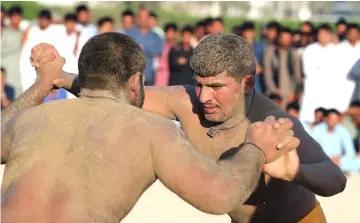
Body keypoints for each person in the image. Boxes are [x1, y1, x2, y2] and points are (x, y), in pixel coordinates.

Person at [30, 33, 346, 223]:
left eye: (217, 86)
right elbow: (117, 93)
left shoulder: (269, 119)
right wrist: (58, 75)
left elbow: (334, 179)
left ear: (246, 82)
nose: (204, 97)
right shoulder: (185, 101)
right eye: (199, 84)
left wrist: (294, 173)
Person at [312, 109, 360, 176]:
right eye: (331, 119)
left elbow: (350, 151)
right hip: (323, 160)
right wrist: (328, 159)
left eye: (336, 119)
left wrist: (340, 158)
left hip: (340, 161)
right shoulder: (317, 130)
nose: (333, 122)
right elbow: (314, 150)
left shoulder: (343, 130)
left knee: (358, 161)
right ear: (326, 119)